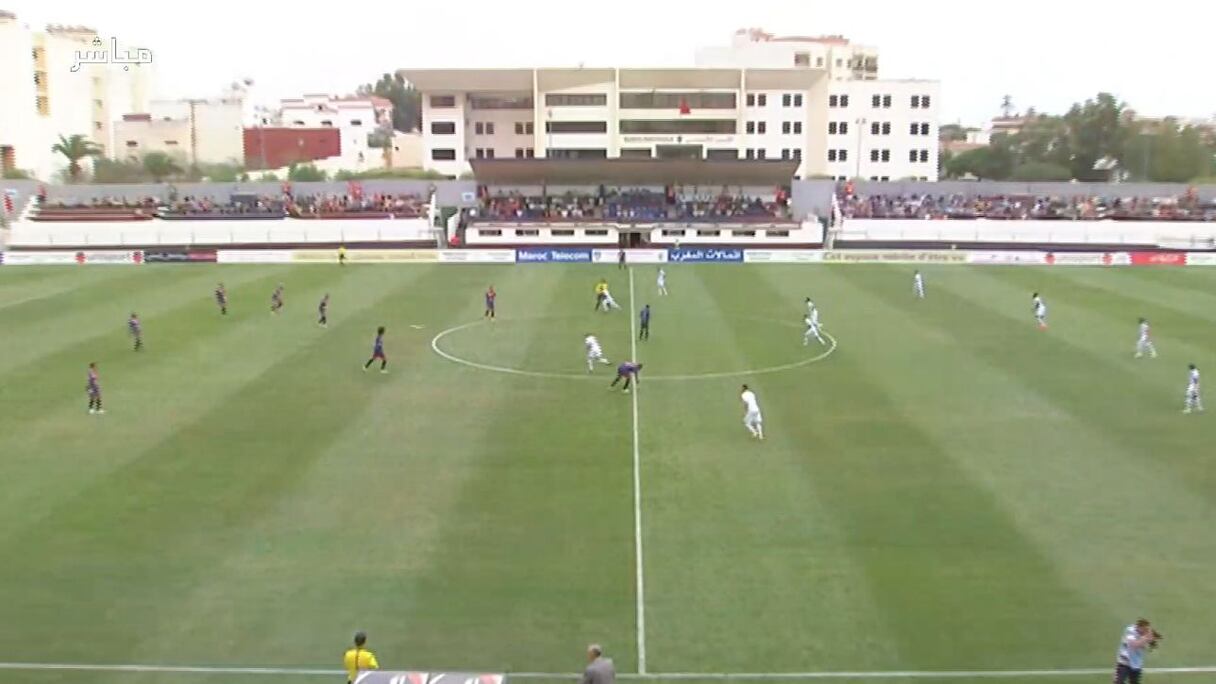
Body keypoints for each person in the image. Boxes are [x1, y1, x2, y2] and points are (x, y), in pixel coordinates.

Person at [1113, 619, 1160, 684]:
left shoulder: (1146, 633)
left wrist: (1152, 641)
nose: (1144, 631)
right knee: (1118, 682)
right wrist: (1146, 638)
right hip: (1124, 662)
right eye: (1144, 629)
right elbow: (1134, 645)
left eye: (1146, 629)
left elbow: (1150, 647)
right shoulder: (1130, 630)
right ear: (1139, 627)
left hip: (1136, 664)